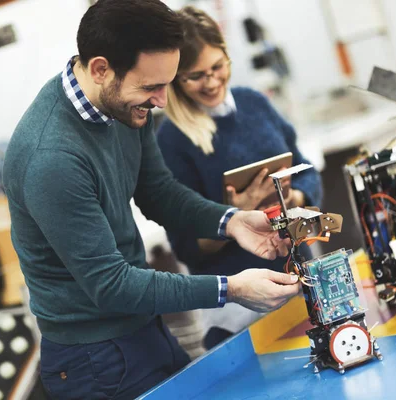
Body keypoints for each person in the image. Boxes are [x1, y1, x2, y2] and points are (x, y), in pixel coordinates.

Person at [2, 1, 300, 399]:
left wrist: (232, 221)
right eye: (150, 87)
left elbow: (159, 193)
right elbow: (110, 285)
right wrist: (231, 288)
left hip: (145, 327)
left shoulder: (123, 106)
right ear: (100, 69)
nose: (162, 101)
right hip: (95, 359)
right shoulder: (52, 159)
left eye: (166, 84)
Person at [156, 6, 323, 349]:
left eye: (218, 66)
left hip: (300, 284)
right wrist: (234, 215)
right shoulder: (172, 140)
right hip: (237, 315)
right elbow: (187, 248)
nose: (212, 80)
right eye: (196, 75)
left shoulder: (254, 104)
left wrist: (296, 200)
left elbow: (307, 170)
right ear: (175, 79)